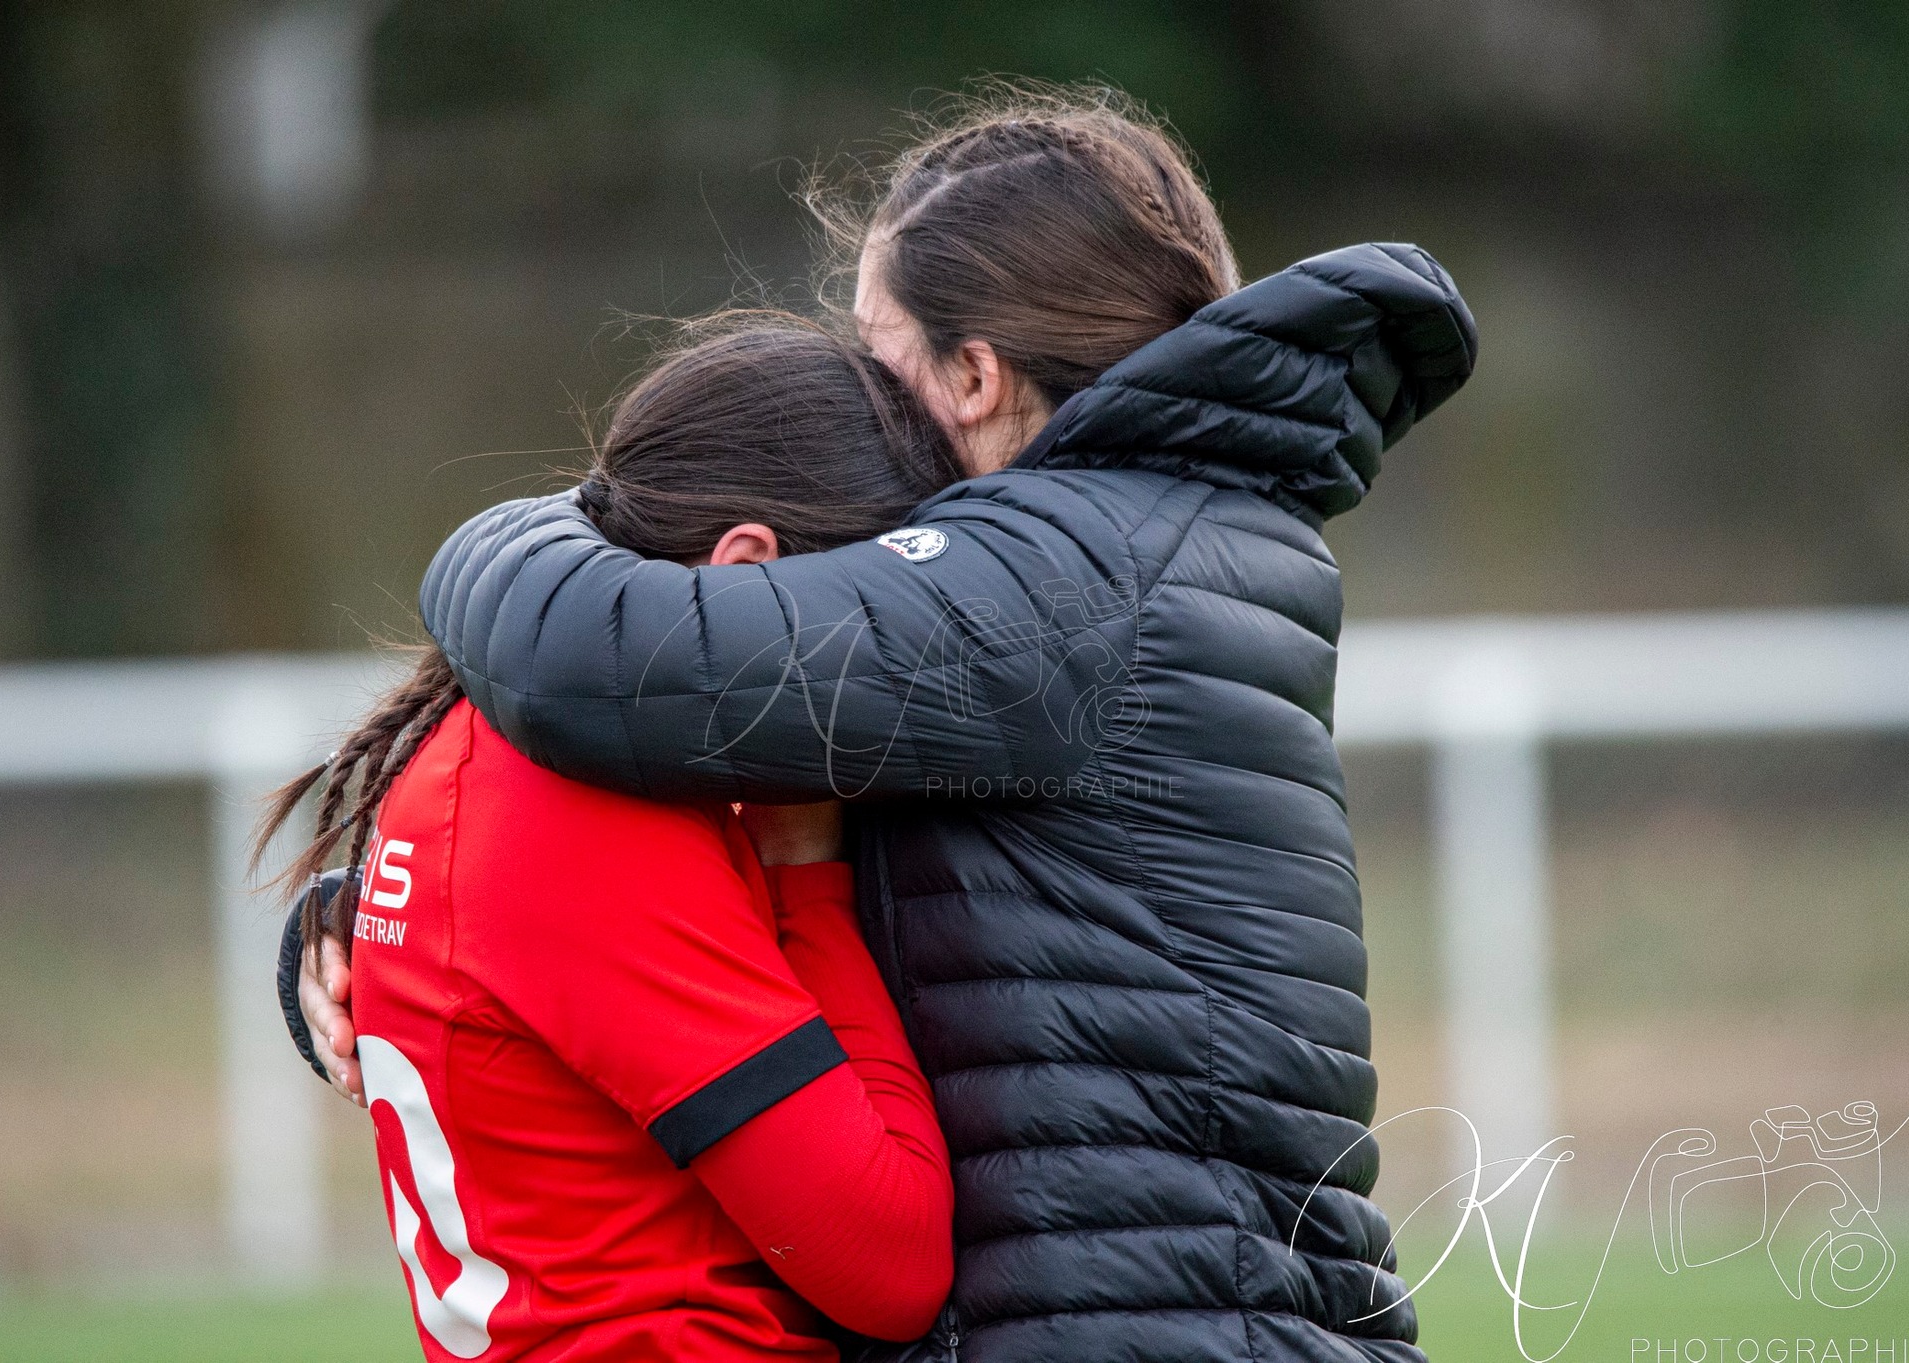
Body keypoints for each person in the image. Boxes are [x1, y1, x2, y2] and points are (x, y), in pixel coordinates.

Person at [294, 84, 1478, 1363]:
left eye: (877, 351)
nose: (864, 397)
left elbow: (600, 661)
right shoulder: (1140, 545)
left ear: (972, 376)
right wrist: (400, 937)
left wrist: (521, 525)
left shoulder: (1066, 572)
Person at [261, 319, 961, 1361]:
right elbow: (891, 1263)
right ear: (748, 572)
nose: (892, 675)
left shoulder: (497, 744)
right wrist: (805, 861)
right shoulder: (589, 814)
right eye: (878, 623)